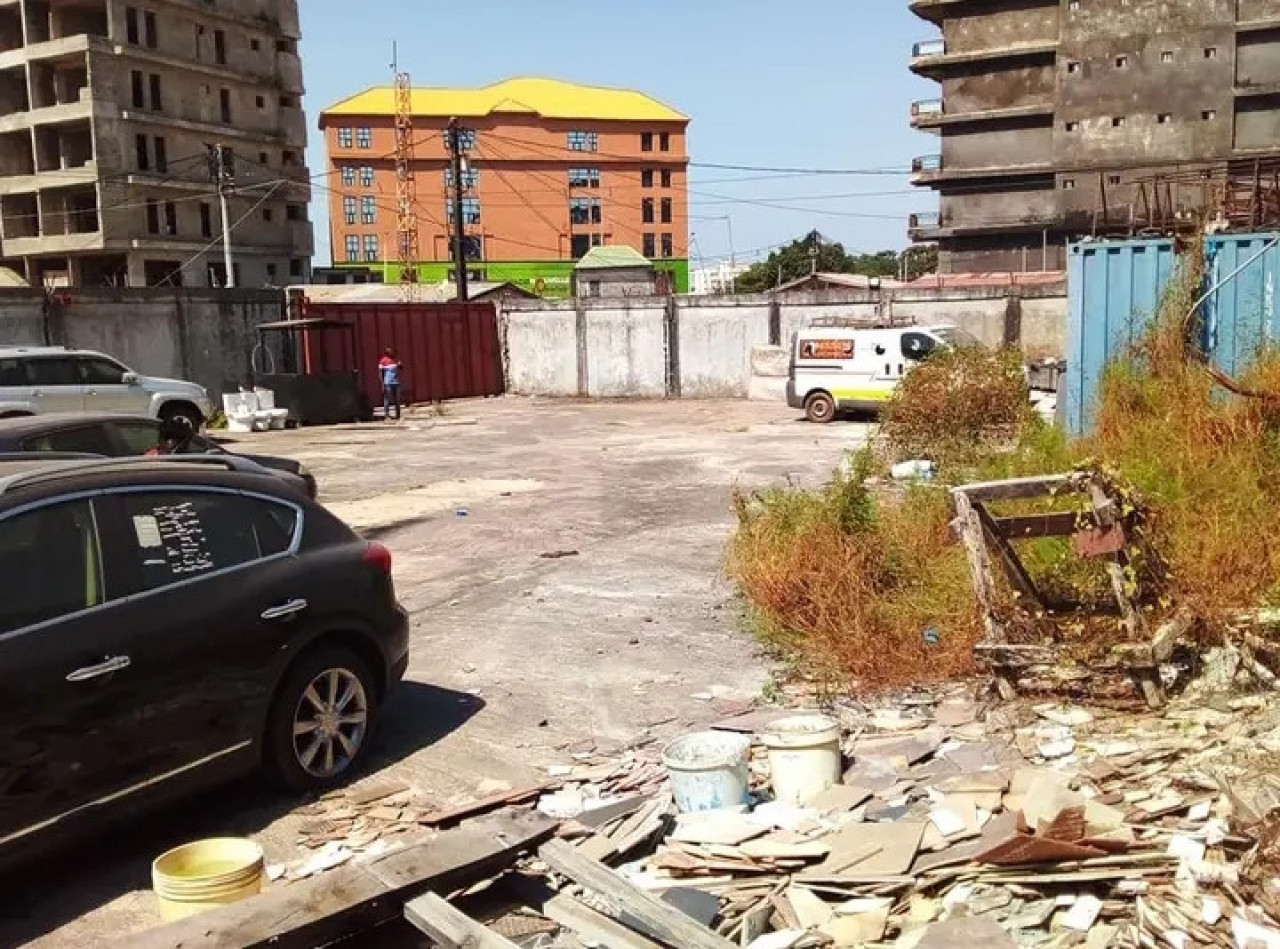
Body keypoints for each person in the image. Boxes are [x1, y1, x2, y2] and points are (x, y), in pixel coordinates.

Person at [378, 348, 403, 421]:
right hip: (387, 383)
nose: (392, 353)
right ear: (387, 353)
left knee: (397, 400)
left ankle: (398, 416)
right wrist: (382, 384)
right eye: (391, 352)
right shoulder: (382, 361)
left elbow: (401, 368)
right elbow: (380, 373)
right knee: (387, 400)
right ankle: (387, 416)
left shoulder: (395, 361)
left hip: (396, 382)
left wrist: (400, 365)